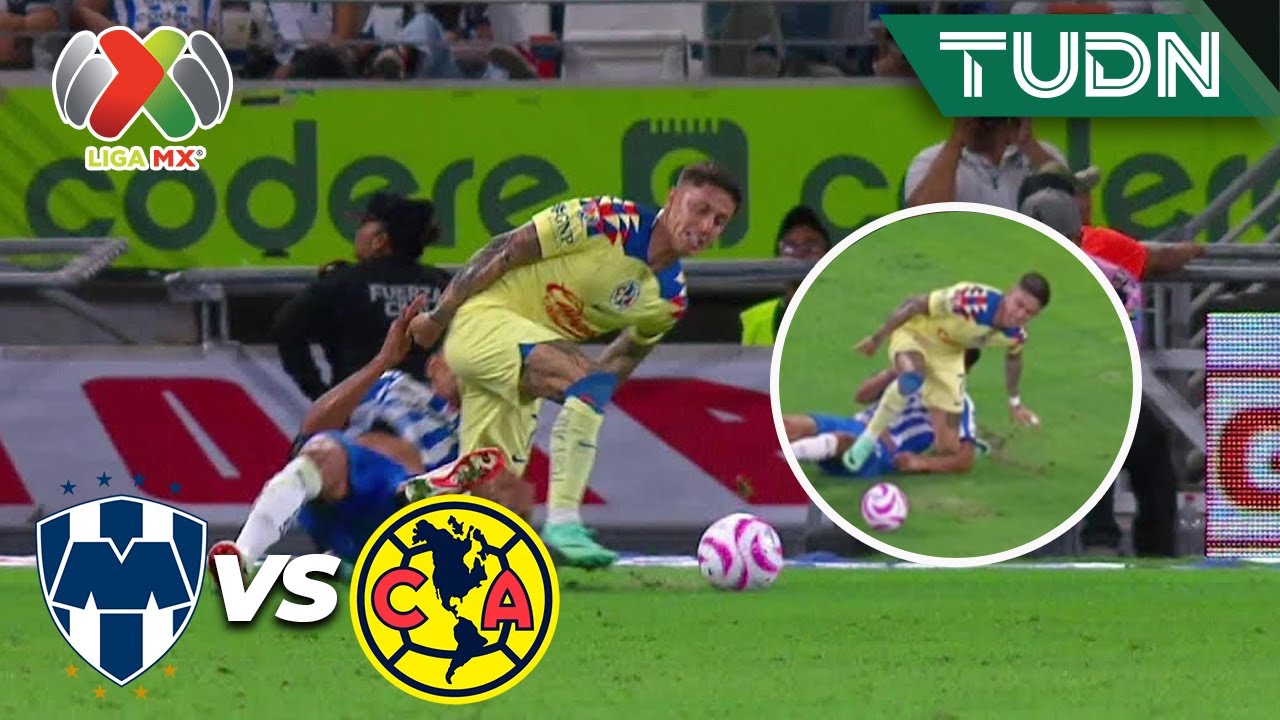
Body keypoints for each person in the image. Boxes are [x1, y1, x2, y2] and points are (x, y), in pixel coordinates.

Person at [407, 162, 742, 569]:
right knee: (587, 382)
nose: (706, 225)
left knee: (493, 497)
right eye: (699, 208)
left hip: (527, 363)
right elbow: (504, 248)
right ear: (672, 198)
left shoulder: (669, 299)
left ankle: (396, 532)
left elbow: (623, 358)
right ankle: (564, 521)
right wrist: (438, 317)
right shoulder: (604, 220)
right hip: (484, 322)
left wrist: (584, 402)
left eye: (719, 220)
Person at [208, 296, 510, 583]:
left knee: (468, 510)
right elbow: (312, 427)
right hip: (347, 488)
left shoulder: (479, 430)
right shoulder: (395, 386)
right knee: (319, 451)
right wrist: (382, 361)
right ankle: (243, 553)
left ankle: (411, 501)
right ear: (435, 366)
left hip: (408, 534)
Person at [1017, 178, 1195, 557]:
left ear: (1078, 238)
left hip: (1097, 388)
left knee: (1148, 443)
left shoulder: (1113, 279)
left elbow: (1127, 344)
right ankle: (1096, 538)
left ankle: (1155, 554)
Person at [843, 275, 1048, 472]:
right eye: (1018, 304)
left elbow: (1014, 358)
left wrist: (1015, 403)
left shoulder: (1016, 335)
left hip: (948, 357)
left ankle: (967, 442)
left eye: (1029, 313)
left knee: (948, 449)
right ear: (1010, 292)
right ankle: (868, 439)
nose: (1020, 314)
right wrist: (877, 339)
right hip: (916, 335)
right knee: (912, 376)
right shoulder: (971, 300)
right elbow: (914, 303)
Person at [274, 192, 452, 400]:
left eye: (363, 225)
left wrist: (320, 395)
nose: (357, 233)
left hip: (357, 412)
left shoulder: (343, 281)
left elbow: (286, 327)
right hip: (430, 415)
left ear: (380, 240)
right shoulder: (444, 285)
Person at [786, 349, 988, 478]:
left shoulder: (959, 404)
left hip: (882, 450)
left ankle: (783, 458)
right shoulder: (910, 376)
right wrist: (892, 373)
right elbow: (862, 396)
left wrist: (923, 462)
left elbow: (965, 459)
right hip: (854, 423)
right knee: (792, 426)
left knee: (843, 441)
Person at [904, 117, 1063, 210]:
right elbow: (922, 217)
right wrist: (956, 141)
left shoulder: (1041, 156)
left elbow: (1076, 211)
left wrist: (1028, 144)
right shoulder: (932, 159)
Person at [740, 205, 832, 347]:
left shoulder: (846, 316)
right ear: (778, 257)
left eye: (811, 246)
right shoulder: (753, 320)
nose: (799, 254)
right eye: (790, 247)